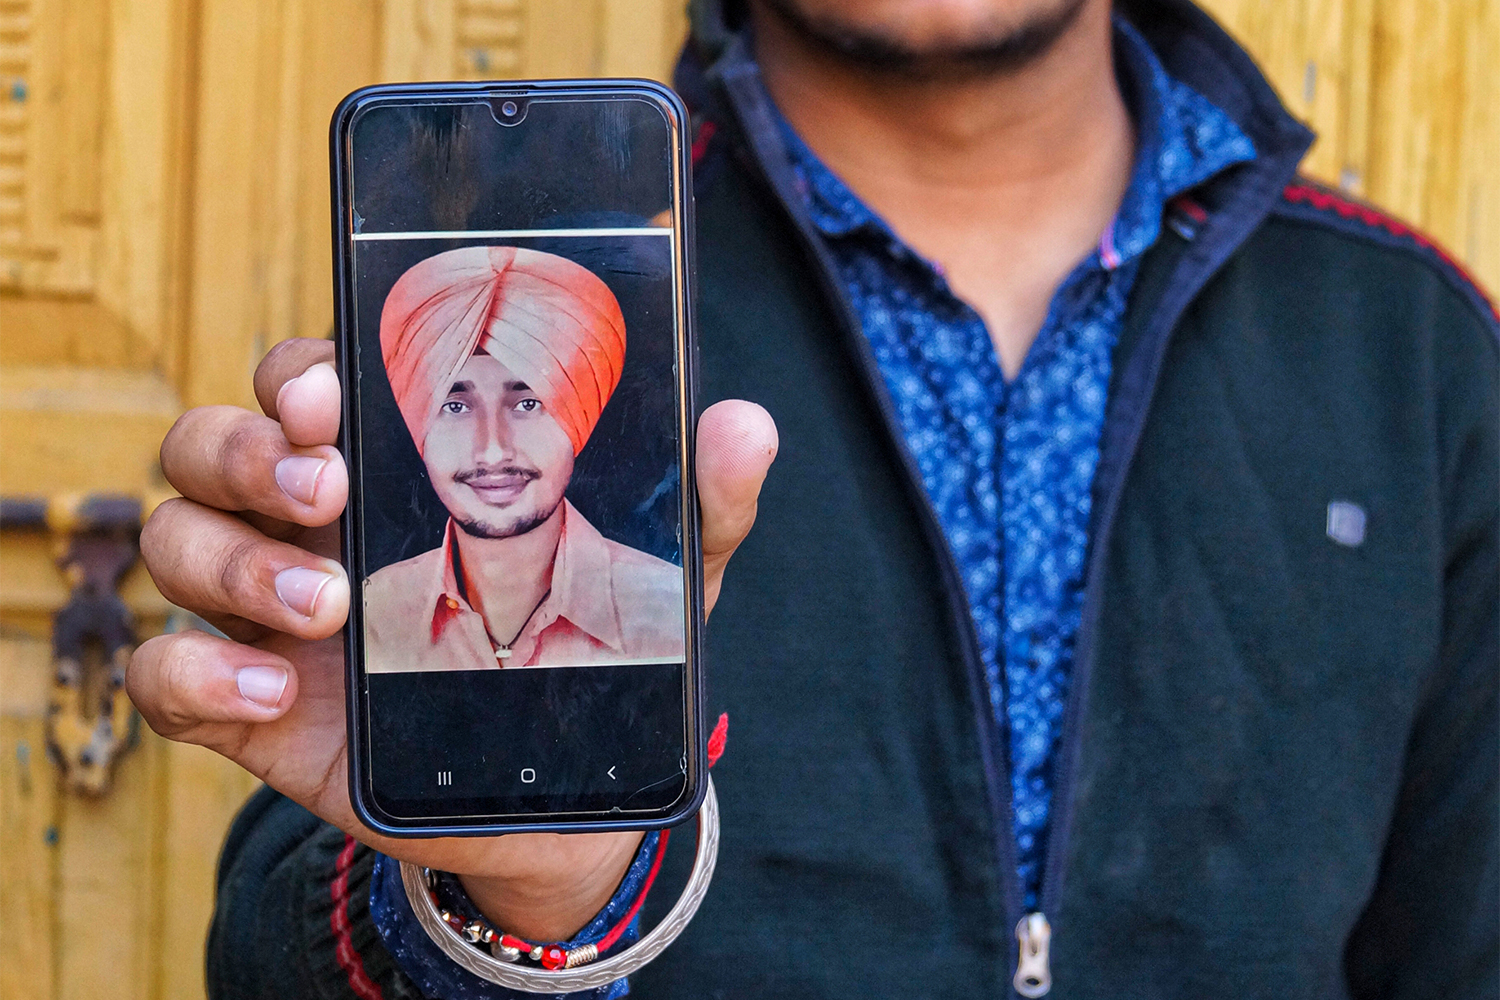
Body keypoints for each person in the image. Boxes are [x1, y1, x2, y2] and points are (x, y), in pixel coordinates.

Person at [128, 0, 1498, 997]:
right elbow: (272, 953)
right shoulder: (534, 276)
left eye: (522, 405)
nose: (489, 434)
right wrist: (516, 902)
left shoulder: (1414, 344)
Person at [365, 245, 684, 672]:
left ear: (580, 418)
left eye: (528, 404)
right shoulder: (375, 616)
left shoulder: (665, 612)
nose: (492, 450)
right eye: (456, 406)